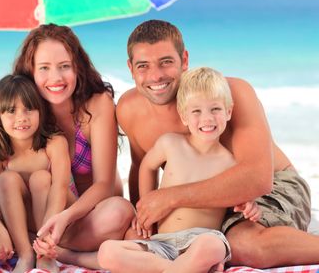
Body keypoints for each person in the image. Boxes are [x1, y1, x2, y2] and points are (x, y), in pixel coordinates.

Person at [117, 19, 317, 267]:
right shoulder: (129, 109)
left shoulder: (231, 93)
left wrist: (169, 198)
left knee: (243, 245)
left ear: (185, 59)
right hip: (203, 207)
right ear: (130, 67)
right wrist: (146, 220)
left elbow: (258, 178)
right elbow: (141, 167)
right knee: (135, 242)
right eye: (143, 66)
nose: (156, 75)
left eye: (166, 62)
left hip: (269, 188)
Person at [0, 24, 134, 269]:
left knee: (119, 211)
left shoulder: (96, 104)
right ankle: (32, 247)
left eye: (64, 66)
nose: (56, 78)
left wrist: (63, 218)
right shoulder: (27, 111)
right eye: (44, 68)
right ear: (30, 71)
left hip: (84, 217)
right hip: (32, 214)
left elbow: (104, 185)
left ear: (78, 67)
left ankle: (56, 252)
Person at [98, 67, 261, 273]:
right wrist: (146, 210)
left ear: (228, 111)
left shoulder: (231, 163)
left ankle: (176, 268)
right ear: (184, 116)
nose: (207, 118)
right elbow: (147, 166)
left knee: (213, 246)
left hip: (200, 241)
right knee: (107, 252)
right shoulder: (171, 144)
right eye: (196, 111)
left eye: (215, 109)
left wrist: (249, 206)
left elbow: (240, 195)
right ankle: (180, 269)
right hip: (163, 243)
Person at [0, 74, 73, 273]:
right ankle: (25, 254)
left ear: (40, 111)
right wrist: (0, 231)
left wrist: (46, 238)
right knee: (5, 179)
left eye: (29, 109)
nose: (21, 118)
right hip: (19, 221)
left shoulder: (54, 143)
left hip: (54, 216)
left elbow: (60, 189)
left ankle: (42, 254)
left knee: (40, 177)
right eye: (11, 111)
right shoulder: (1, 150)